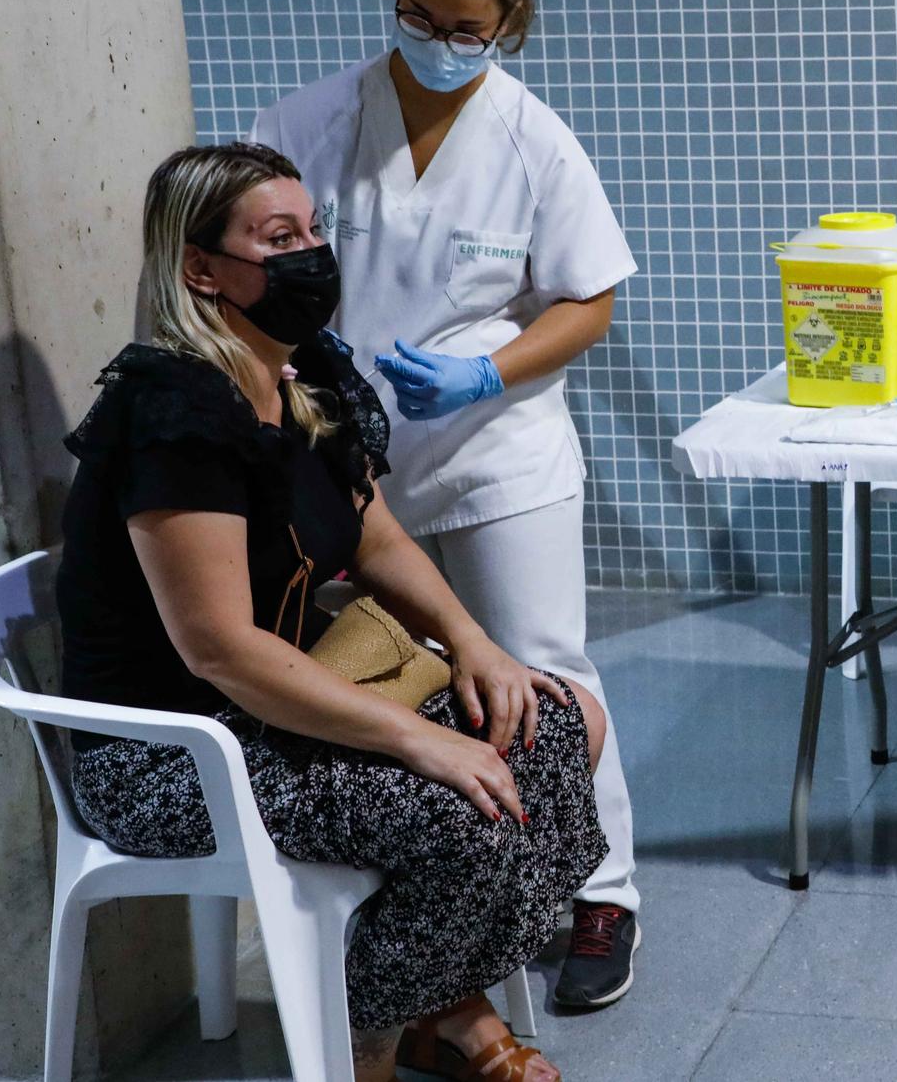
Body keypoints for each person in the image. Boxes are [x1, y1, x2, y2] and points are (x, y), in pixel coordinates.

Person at [60, 143, 603, 1082]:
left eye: (314, 230)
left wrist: (475, 645)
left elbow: (376, 538)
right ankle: (365, 1036)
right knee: (462, 812)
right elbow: (220, 649)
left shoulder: (297, 372)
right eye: (280, 238)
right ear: (201, 267)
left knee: (555, 722)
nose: (313, 254)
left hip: (286, 704)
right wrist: (414, 737)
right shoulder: (174, 411)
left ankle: (439, 1003)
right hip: (174, 751)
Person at [248, 0, 642, 1008]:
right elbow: (258, 250)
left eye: (467, 28)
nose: (440, 39)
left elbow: (589, 302)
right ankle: (462, 894)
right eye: (419, 14)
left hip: (494, 447)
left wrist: (489, 370)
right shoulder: (314, 118)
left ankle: (603, 893)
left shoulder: (531, 138)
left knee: (542, 665)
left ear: (509, 20)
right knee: (409, 676)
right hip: (351, 454)